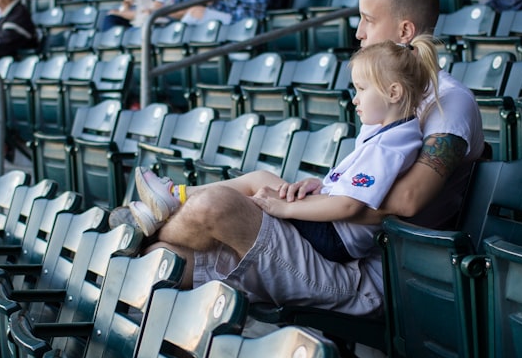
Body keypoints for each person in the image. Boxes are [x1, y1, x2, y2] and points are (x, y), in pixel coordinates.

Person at [113, 0, 483, 315]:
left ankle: (146, 222)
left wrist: (307, 204)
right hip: (332, 241)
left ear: (404, 32)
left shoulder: (447, 100)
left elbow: (405, 200)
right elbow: (371, 179)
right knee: (164, 257)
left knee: (217, 206)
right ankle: (157, 219)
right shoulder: (392, 96)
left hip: (363, 272)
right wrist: (322, 189)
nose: (359, 32)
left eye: (368, 20)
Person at [130, 35, 443, 312]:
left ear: (394, 92)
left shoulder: (390, 144)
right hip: (331, 228)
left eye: (361, 89)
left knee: (251, 198)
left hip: (334, 240)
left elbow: (351, 205)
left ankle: (149, 224)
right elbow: (351, 188)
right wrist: (319, 186)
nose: (354, 98)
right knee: (261, 181)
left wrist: (289, 208)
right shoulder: (385, 131)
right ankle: (174, 197)